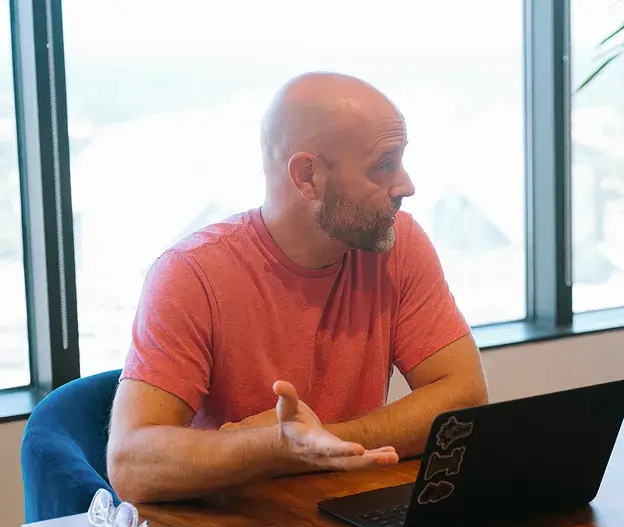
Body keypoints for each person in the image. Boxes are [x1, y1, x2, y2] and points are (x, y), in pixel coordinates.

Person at [107, 72, 490, 504]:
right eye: (384, 166)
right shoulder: (191, 273)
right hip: (234, 524)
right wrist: (275, 446)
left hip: (344, 507)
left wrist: (317, 443)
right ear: (308, 176)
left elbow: (465, 396)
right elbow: (130, 465)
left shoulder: (397, 243)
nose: (406, 186)